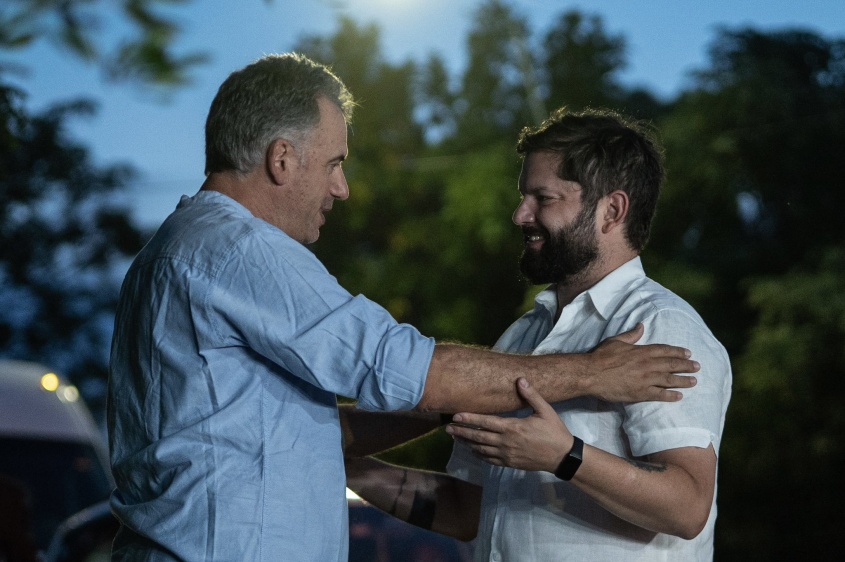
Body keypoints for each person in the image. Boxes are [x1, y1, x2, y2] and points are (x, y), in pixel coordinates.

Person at [107, 54, 698, 562]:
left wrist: (452, 406)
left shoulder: (179, 250)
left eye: (541, 197)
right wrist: (591, 374)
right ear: (281, 158)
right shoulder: (239, 250)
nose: (341, 187)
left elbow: (300, 428)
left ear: (613, 209)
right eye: (334, 163)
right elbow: (400, 369)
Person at [345, 107, 732, 561]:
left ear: (612, 210)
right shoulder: (523, 336)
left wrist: (566, 456)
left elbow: (688, 506)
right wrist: (349, 470)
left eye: (542, 198)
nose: (519, 214)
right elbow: (469, 509)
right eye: (523, 196)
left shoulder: (660, 326)